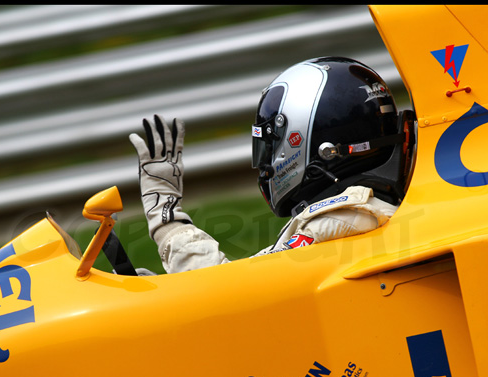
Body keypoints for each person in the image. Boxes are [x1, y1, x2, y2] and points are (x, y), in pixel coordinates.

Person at [129, 56, 415, 274]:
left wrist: (165, 219)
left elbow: (228, 295)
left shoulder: (336, 222)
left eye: (271, 144)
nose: (266, 163)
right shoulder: (381, 204)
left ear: (312, 143)